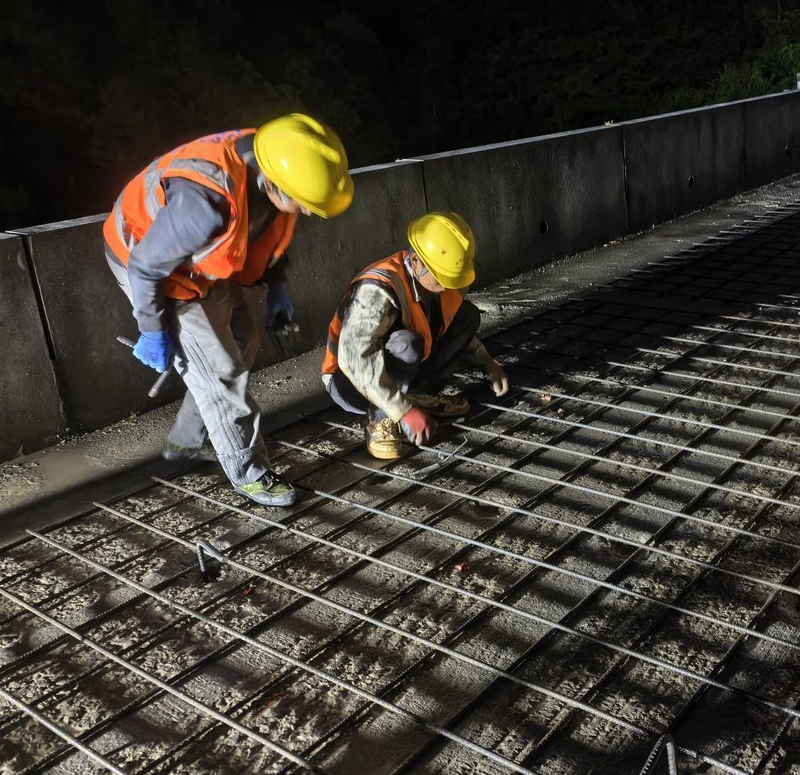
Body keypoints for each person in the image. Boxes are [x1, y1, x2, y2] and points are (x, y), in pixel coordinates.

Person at [104, 114, 353, 506]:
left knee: (242, 340)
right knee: (222, 373)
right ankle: (248, 473)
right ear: (272, 182)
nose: (306, 213)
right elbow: (146, 267)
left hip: (199, 263)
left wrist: (277, 284)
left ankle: (190, 439)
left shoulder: (274, 154)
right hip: (149, 264)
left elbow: (265, 233)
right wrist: (152, 327)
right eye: (303, 204)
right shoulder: (205, 204)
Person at [321, 211, 509, 460]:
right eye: (441, 278)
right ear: (416, 261)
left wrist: (487, 363)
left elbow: (446, 324)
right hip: (349, 382)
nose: (447, 285)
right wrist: (403, 411)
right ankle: (381, 421)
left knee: (467, 315)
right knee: (406, 344)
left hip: (399, 371)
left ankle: (418, 396)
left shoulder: (439, 283)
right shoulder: (378, 290)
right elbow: (355, 357)